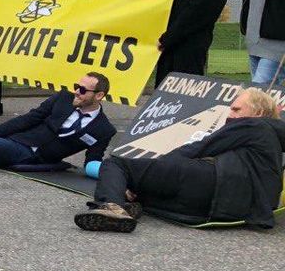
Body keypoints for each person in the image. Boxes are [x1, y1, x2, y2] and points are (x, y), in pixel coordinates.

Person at [75, 88, 285, 233]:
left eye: (236, 109)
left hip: (210, 181)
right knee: (141, 197)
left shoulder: (253, 125)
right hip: (221, 210)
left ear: (257, 112)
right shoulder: (272, 144)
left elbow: (199, 148)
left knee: (117, 164)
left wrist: (158, 166)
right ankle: (125, 206)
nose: (230, 114)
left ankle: (111, 205)